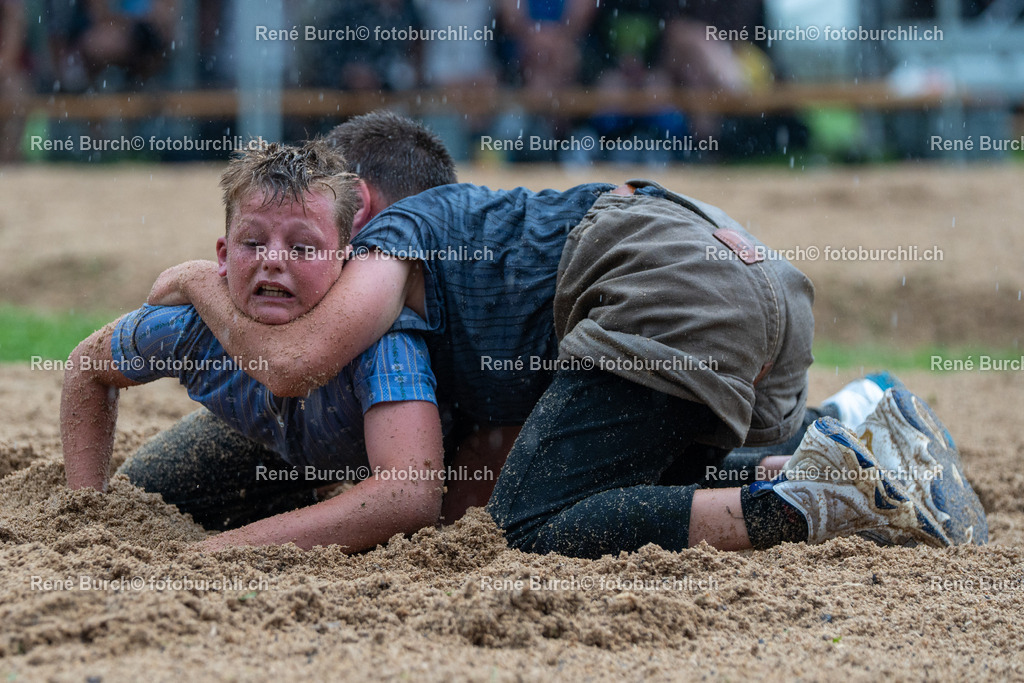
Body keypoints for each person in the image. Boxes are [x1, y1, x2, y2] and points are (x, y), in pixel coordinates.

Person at [150, 166, 987, 559]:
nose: (300, 259)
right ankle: (847, 434)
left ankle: (800, 505)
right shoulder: (484, 279)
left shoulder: (397, 238)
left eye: (315, 236)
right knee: (653, 472)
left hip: (670, 285)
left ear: (362, 213)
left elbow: (296, 364)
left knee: (532, 521)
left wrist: (198, 279)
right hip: (752, 278)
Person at [61, 139, 445, 553]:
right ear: (223, 257)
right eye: (253, 243)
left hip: (390, 451)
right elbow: (87, 365)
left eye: (303, 247)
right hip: (272, 445)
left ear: (346, 262)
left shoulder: (383, 341)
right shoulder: (191, 324)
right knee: (147, 487)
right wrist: (87, 509)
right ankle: (305, 494)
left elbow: (408, 496)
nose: (273, 259)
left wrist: (217, 550)